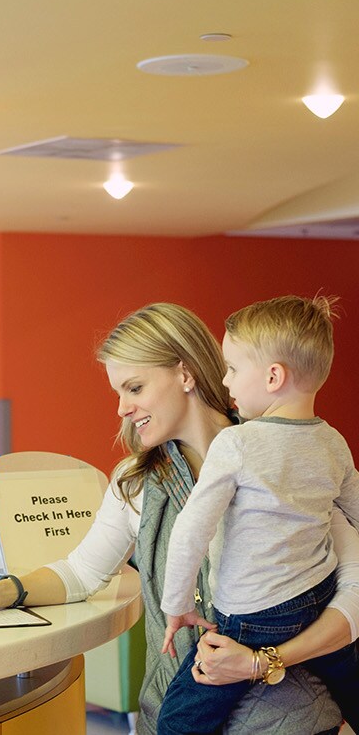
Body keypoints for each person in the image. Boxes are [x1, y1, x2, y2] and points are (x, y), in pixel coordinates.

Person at [0, 303, 359, 735]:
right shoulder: (136, 482)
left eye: (134, 388)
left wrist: (261, 662)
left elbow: (353, 594)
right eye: (118, 393)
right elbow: (81, 572)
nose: (122, 408)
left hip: (288, 722)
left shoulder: (288, 462)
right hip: (170, 712)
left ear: (185, 373)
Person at [156, 297, 359, 733]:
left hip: (252, 617)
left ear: (273, 377)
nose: (225, 380)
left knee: (177, 719)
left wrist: (176, 605)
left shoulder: (237, 444)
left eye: (231, 368)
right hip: (319, 598)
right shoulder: (334, 442)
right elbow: (356, 510)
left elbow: (191, 529)